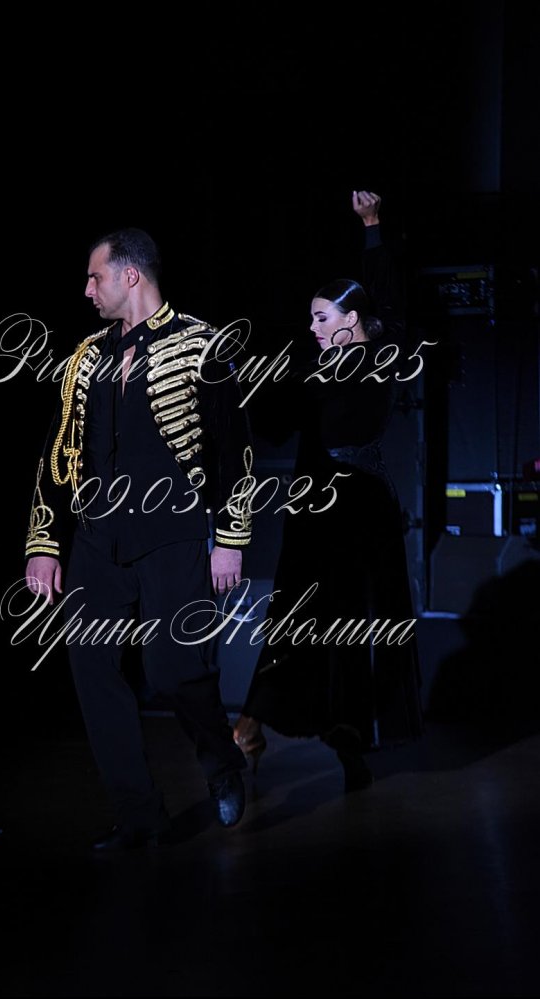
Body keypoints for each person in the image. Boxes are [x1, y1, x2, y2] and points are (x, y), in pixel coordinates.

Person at [24, 228, 252, 849]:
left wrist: (231, 538)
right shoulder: (85, 357)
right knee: (90, 666)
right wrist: (44, 542)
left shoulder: (202, 345)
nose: (87, 290)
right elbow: (56, 453)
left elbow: (233, 451)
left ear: (131, 276)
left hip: (173, 533)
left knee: (174, 669)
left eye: (95, 277)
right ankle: (139, 814)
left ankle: (222, 760)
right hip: (97, 538)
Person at [234, 191, 423, 790]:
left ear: (351, 318)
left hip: (364, 510)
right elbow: (272, 422)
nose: (312, 327)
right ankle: (252, 722)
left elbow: (388, 297)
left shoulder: (383, 356)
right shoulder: (310, 371)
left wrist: (373, 228)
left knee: (357, 626)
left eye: (322, 317)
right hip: (317, 510)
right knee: (298, 618)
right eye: (312, 317)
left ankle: (349, 743)